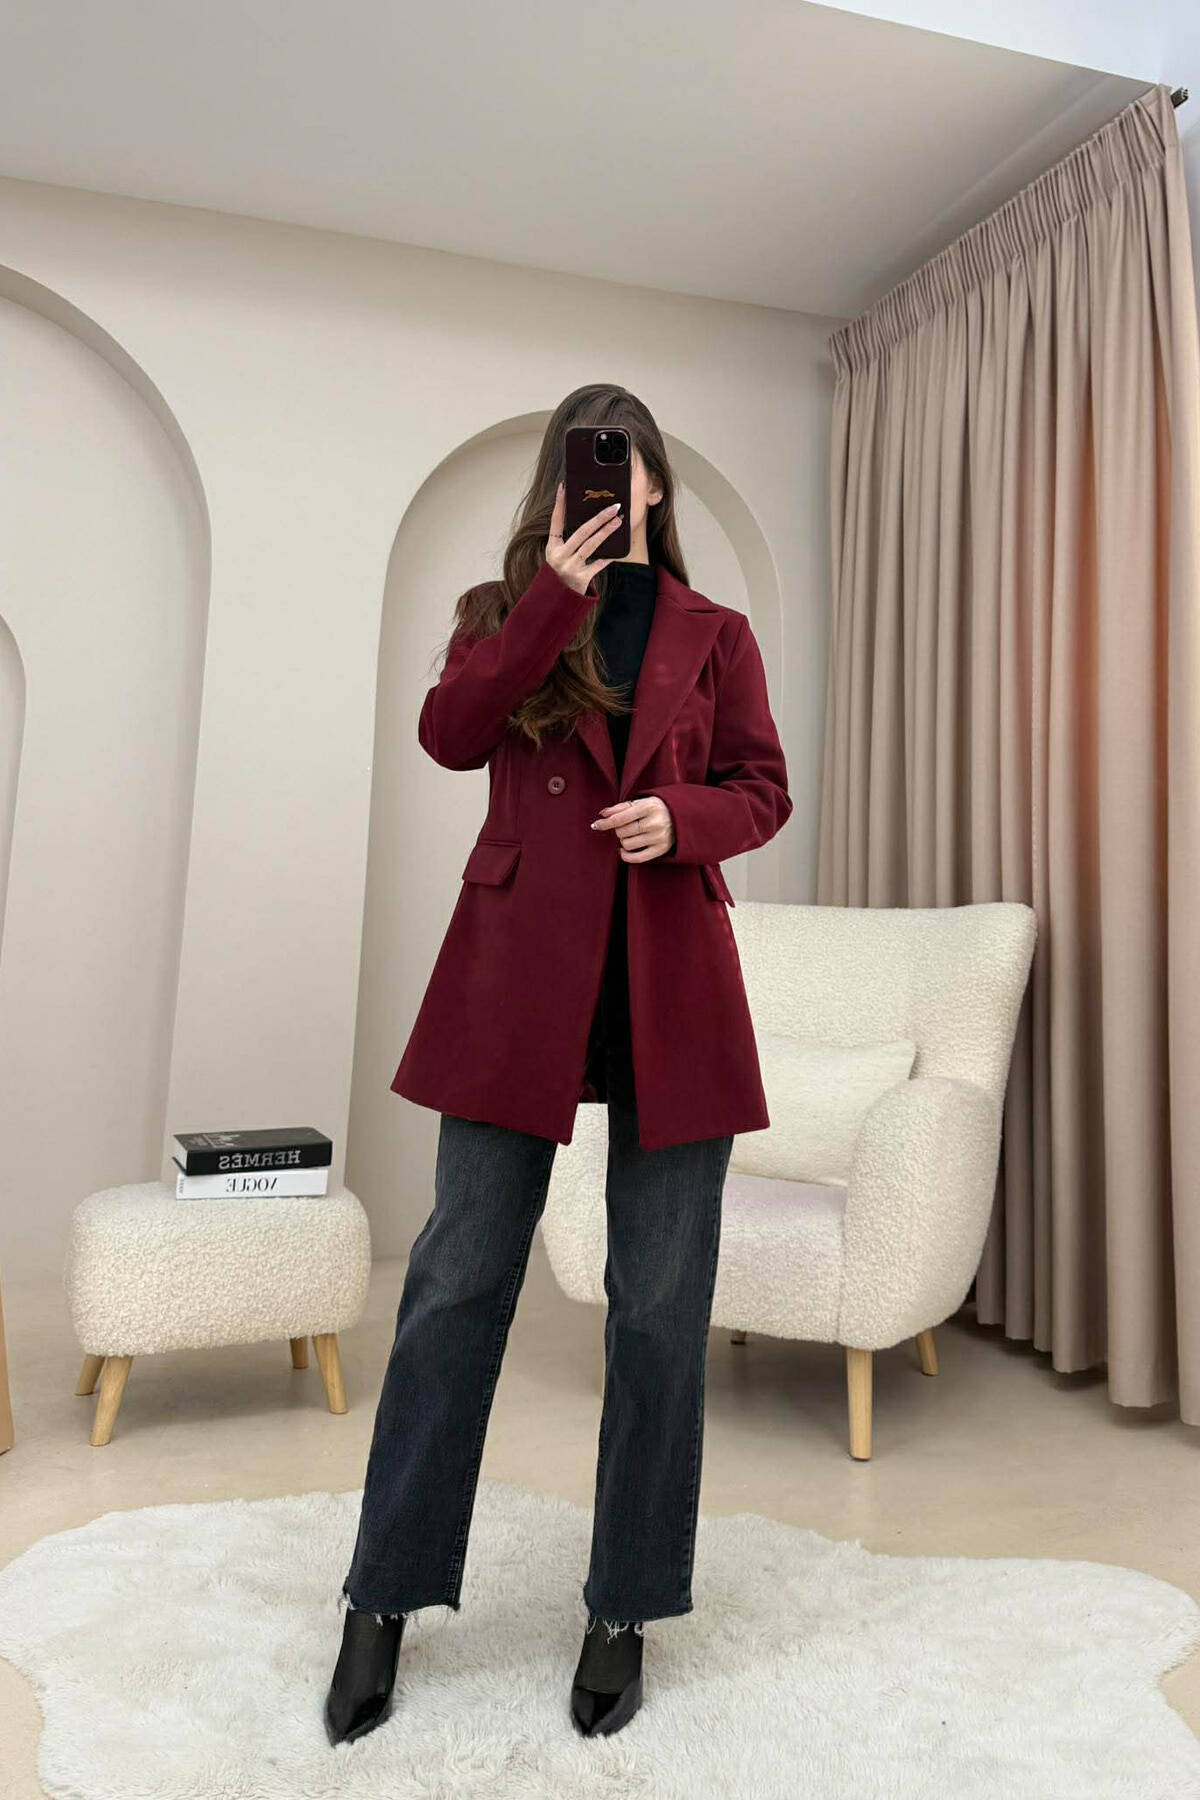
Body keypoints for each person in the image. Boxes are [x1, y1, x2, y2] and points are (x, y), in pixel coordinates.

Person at [324, 383, 792, 1745]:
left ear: (658, 488)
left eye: (631, 465)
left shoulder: (717, 632)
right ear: (560, 484)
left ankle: (622, 1608)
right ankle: (381, 1597)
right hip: (516, 984)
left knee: (657, 1315)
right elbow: (450, 735)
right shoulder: (503, 613)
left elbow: (763, 788)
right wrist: (549, 601)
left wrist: (683, 818)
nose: (613, 485)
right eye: (591, 465)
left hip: (666, 985)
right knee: (453, 1289)